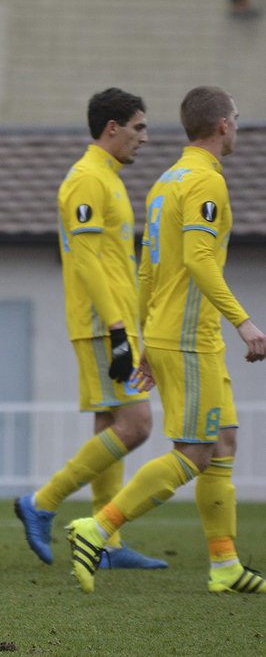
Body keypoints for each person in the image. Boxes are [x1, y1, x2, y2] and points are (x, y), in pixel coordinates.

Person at [66, 86, 266, 594]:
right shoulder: (205, 183)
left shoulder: (164, 182)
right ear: (222, 125)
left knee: (223, 443)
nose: (238, 127)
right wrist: (243, 320)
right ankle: (98, 527)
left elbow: (148, 268)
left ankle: (224, 565)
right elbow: (199, 261)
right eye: (237, 119)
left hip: (174, 332)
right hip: (190, 336)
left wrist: (146, 338)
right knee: (195, 451)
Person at [14, 88, 166, 570]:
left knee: (109, 425)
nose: (145, 137)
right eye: (139, 127)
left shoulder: (109, 178)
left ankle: (106, 542)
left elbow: (114, 262)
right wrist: (119, 329)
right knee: (137, 425)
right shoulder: (86, 179)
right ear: (112, 127)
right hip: (104, 326)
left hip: (116, 323)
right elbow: (83, 259)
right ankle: (41, 503)